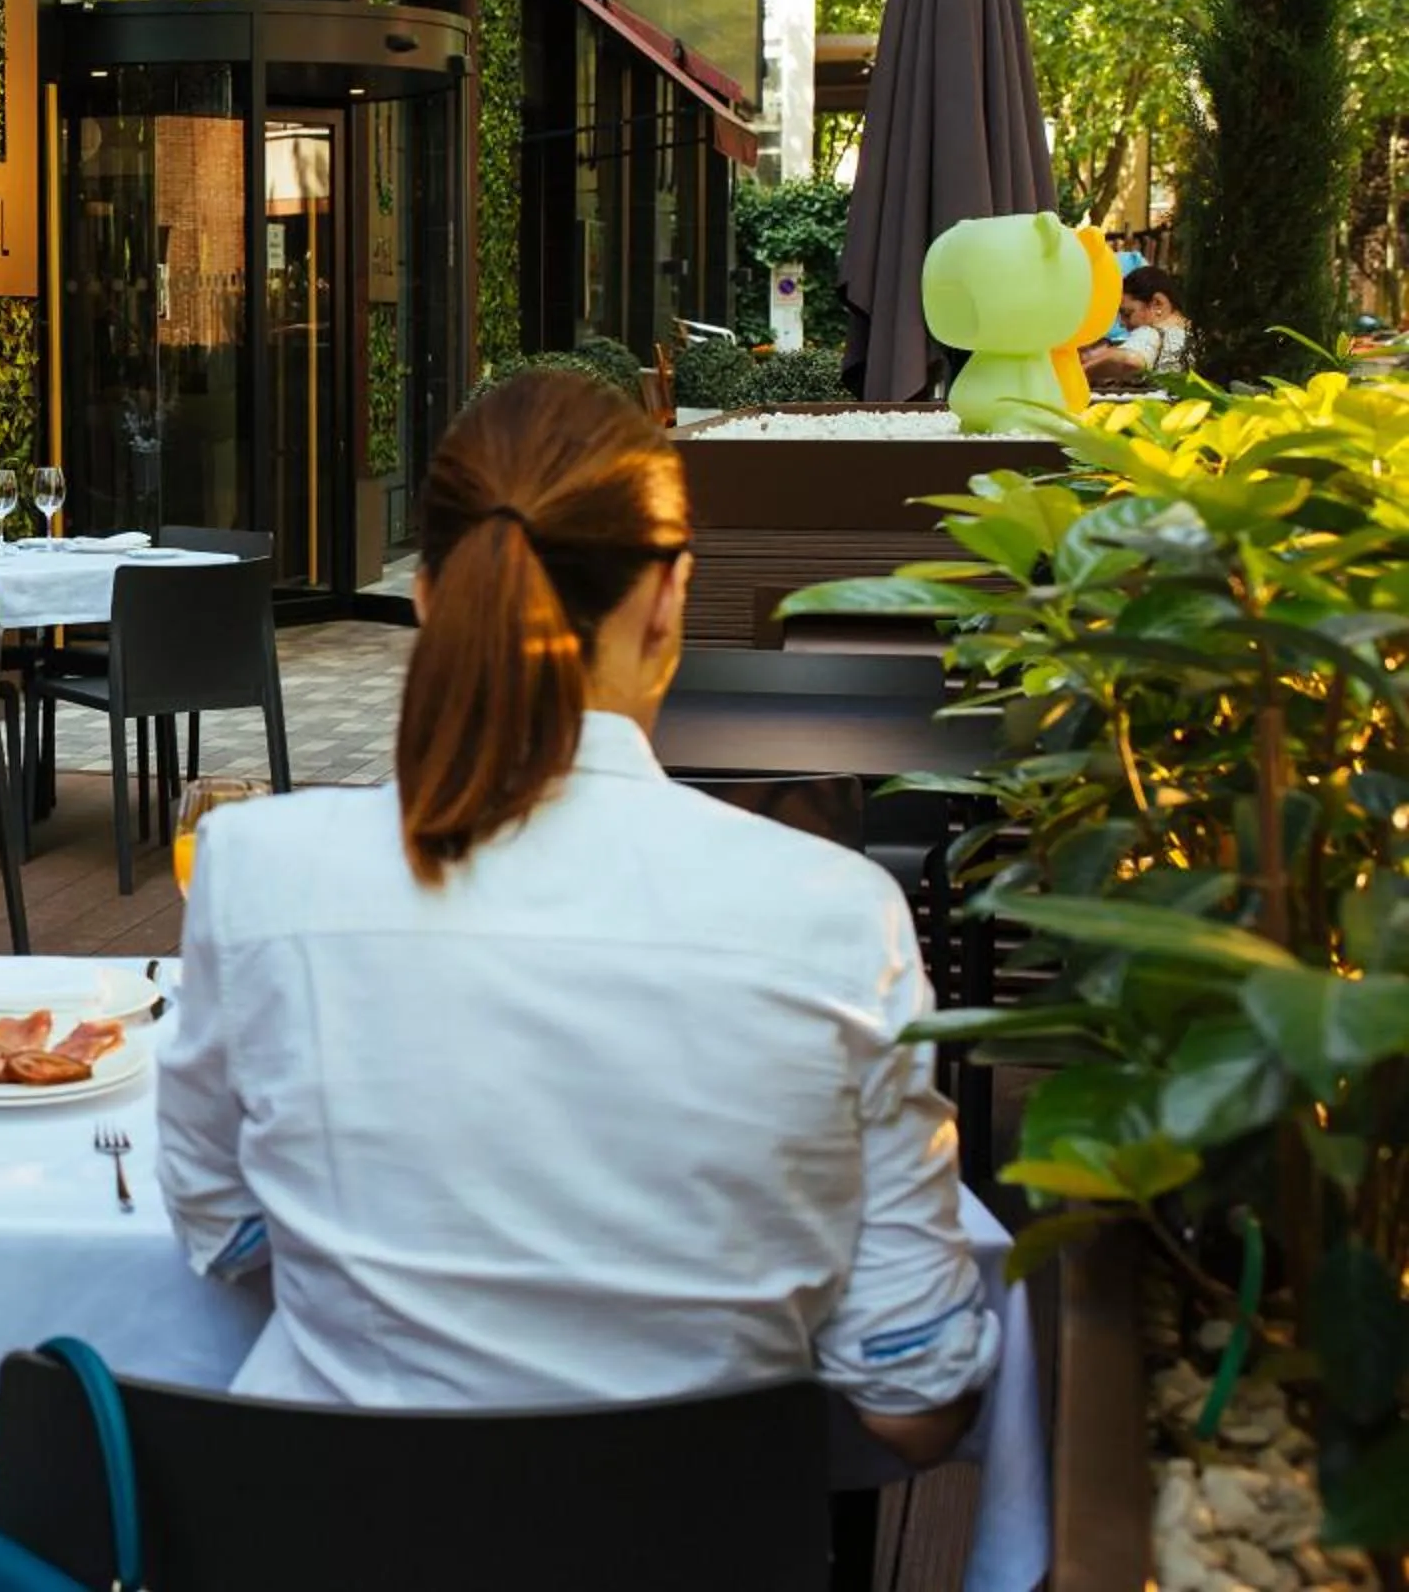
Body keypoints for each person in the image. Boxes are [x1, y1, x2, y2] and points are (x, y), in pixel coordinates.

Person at [157, 370, 996, 1467]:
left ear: (427, 597)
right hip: (701, 1534)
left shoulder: (258, 871)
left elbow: (224, 1229)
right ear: (670, 598)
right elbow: (917, 1396)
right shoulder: (838, 920)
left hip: (335, 1529)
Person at [1081, 267, 1191, 387]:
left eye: (1127, 314)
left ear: (1157, 303)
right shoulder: (1195, 335)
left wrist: (1082, 372)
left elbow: (1129, 359)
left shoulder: (1152, 333)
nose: (1122, 323)